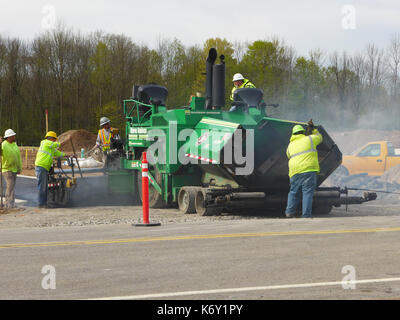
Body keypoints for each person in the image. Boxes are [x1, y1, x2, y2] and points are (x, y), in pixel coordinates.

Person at [285, 120, 323, 218]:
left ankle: (289, 212)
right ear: (303, 132)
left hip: (295, 171)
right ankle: (306, 215)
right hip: (309, 170)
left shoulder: (290, 146)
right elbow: (320, 138)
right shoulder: (310, 139)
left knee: (293, 192)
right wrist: (313, 129)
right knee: (307, 193)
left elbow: (288, 155)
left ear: (293, 134)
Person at [34, 131, 66, 209]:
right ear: (51, 138)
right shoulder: (45, 143)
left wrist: (68, 155)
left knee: (44, 186)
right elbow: (56, 144)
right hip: (41, 167)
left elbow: (58, 153)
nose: (55, 141)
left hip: (45, 167)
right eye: (55, 139)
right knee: (42, 186)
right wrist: (66, 139)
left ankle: (44, 203)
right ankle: (41, 204)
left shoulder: (50, 147)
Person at [1, 129, 22, 209]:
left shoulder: (14, 144)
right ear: (8, 137)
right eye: (13, 136)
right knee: (10, 186)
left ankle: (11, 204)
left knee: (12, 186)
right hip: (6, 168)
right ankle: (8, 204)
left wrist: (19, 168)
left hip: (14, 169)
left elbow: (18, 157)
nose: (14, 137)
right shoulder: (3, 145)